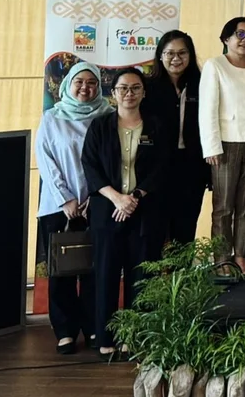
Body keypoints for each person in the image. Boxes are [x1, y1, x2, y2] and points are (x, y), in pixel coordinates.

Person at [82, 68, 170, 359]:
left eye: (135, 88)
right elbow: (90, 167)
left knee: (140, 276)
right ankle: (104, 337)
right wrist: (117, 198)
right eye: (123, 88)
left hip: (144, 211)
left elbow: (162, 168)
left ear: (144, 93)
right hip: (107, 209)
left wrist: (134, 197)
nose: (129, 93)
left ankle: (133, 336)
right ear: (114, 93)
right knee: (105, 274)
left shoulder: (156, 126)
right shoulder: (100, 126)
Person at [36, 61, 112, 354]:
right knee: (62, 271)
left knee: (95, 270)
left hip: (98, 204)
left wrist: (96, 196)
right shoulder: (52, 118)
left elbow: (110, 163)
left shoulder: (107, 116)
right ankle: (65, 330)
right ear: (67, 84)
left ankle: (94, 327)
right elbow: (46, 162)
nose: (85, 88)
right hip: (58, 206)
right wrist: (65, 198)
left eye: (91, 83)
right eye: (79, 82)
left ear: (99, 87)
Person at [200, 17, 245, 276]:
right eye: (240, 34)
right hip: (225, 144)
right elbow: (207, 109)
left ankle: (241, 255)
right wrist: (211, 147)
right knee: (224, 206)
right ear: (226, 38)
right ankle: (221, 258)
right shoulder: (214, 65)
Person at [143, 31, 207, 246]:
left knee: (186, 227)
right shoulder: (148, 87)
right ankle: (154, 279)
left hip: (192, 165)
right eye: (169, 53)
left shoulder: (203, 84)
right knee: (156, 227)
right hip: (157, 167)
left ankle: (181, 278)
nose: (176, 58)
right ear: (160, 55)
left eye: (182, 53)